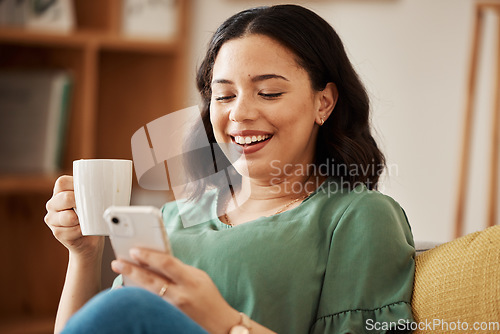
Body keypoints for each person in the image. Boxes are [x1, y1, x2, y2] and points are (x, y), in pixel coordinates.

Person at [44, 4, 415, 334]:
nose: (239, 114)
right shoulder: (174, 217)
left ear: (324, 102)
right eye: (223, 96)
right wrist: (85, 254)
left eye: (269, 92)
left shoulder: (358, 217)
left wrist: (222, 320)